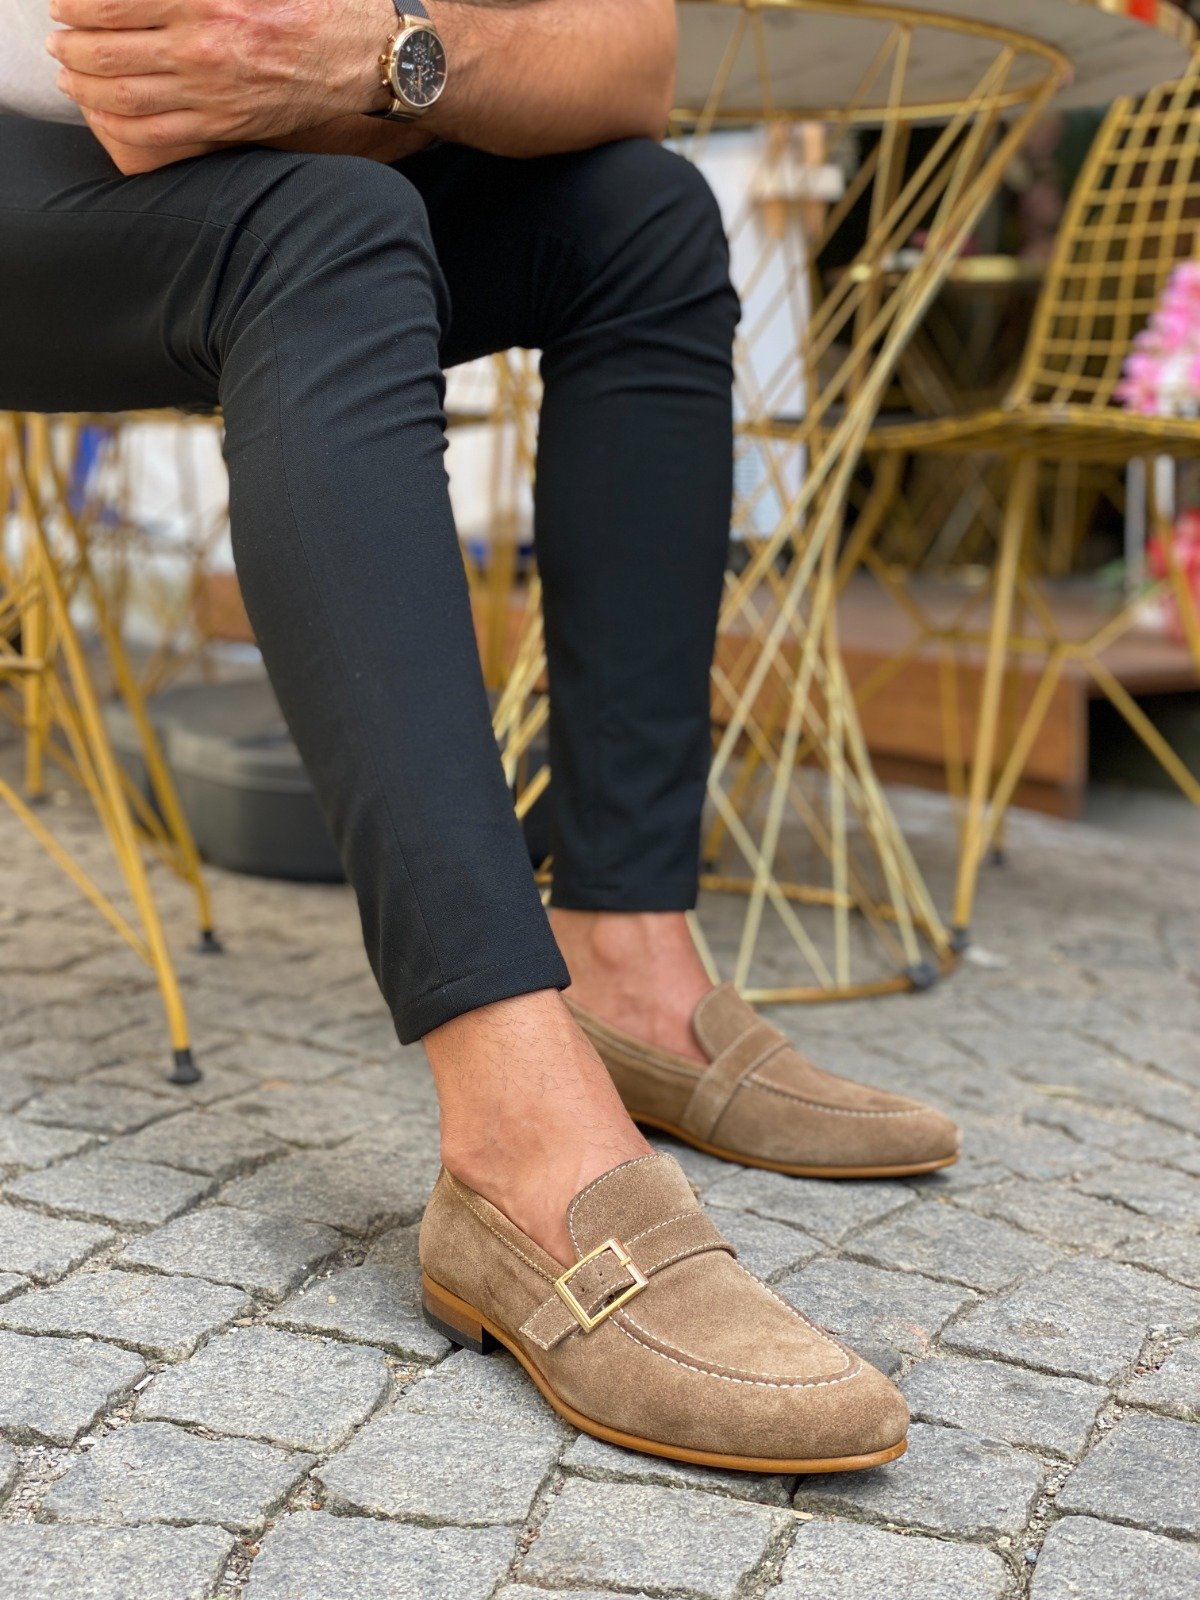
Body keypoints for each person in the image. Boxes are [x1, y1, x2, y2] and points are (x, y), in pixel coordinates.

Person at [0, 0, 958, 1472]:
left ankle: (631, 963)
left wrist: (379, 50)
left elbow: (630, 63)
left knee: (645, 213)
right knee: (329, 227)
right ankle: (520, 1145)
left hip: (314, 144)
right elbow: (147, 91)